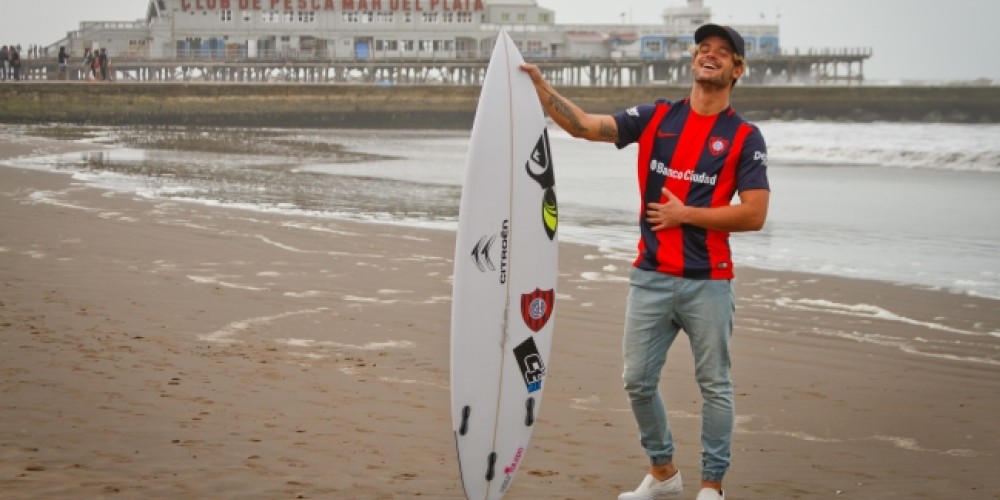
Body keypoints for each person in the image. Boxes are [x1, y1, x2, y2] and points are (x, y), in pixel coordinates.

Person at [521, 23, 769, 500]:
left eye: (722, 52)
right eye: (703, 49)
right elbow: (586, 126)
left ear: (738, 69)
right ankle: (663, 474)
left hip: (708, 283)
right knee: (637, 381)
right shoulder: (658, 117)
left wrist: (685, 214)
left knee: (714, 385)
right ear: (694, 60)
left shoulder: (744, 137)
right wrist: (540, 87)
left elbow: (755, 214)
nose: (709, 56)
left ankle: (712, 487)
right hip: (651, 277)